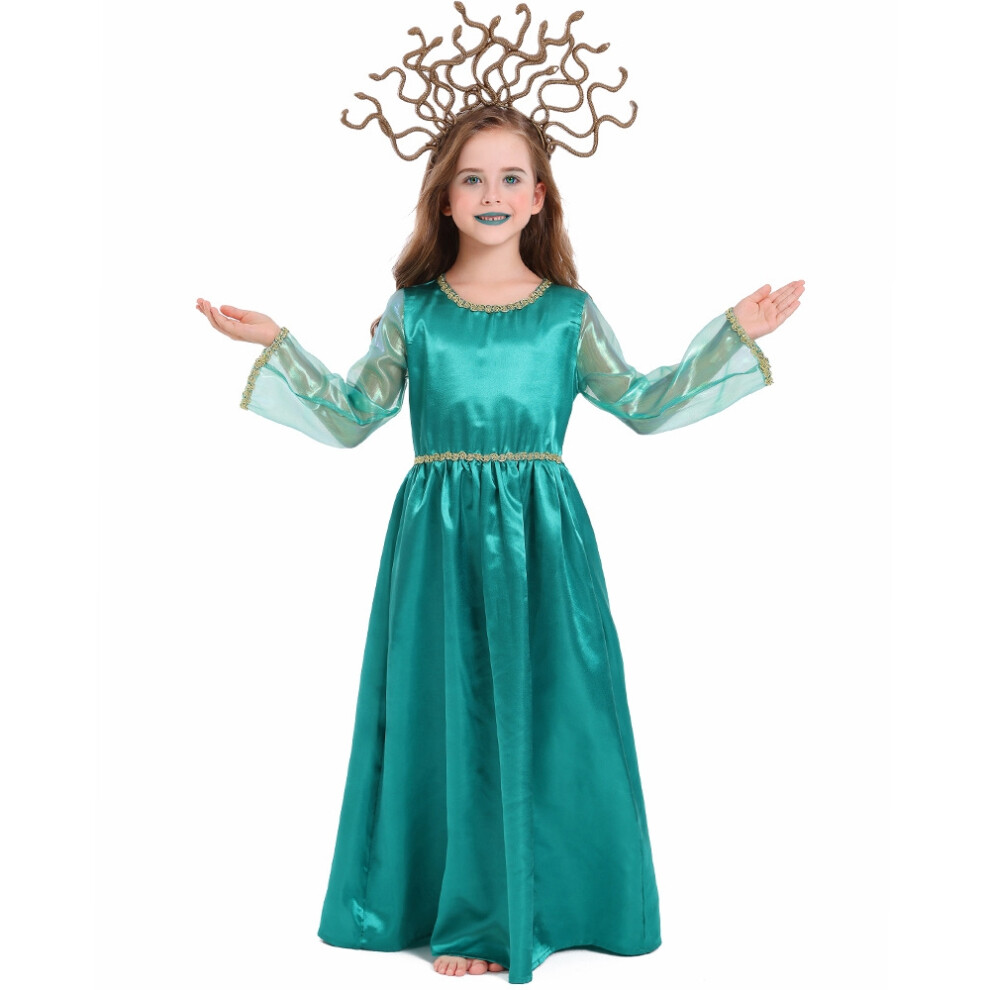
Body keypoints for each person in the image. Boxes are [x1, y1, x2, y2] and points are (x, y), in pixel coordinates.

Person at [195, 8, 804, 985]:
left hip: (545, 539)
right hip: (434, 539)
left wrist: (729, 332)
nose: (492, 193)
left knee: (560, 711)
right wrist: (278, 343)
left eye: (511, 177)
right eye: (472, 178)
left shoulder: (567, 314)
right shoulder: (413, 313)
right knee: (444, 712)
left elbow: (644, 403)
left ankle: (562, 902)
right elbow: (352, 415)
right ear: (443, 200)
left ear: (539, 198)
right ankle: (467, 914)